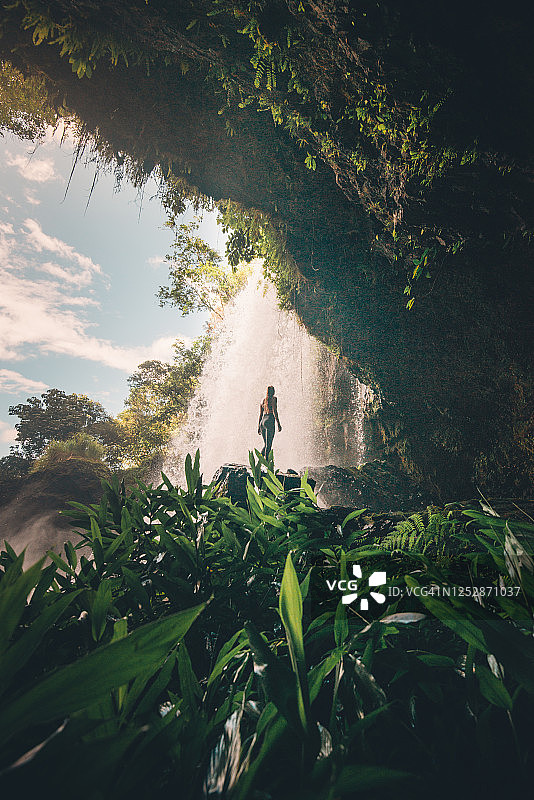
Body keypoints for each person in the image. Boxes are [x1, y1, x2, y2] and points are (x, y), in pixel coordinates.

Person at [257, 385, 282, 458]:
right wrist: (278, 424)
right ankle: (267, 465)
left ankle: (260, 461)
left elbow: (260, 414)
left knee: (266, 445)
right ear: (273, 391)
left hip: (263, 422)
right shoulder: (274, 399)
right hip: (270, 420)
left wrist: (259, 426)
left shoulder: (263, 401)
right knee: (269, 445)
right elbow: (274, 411)